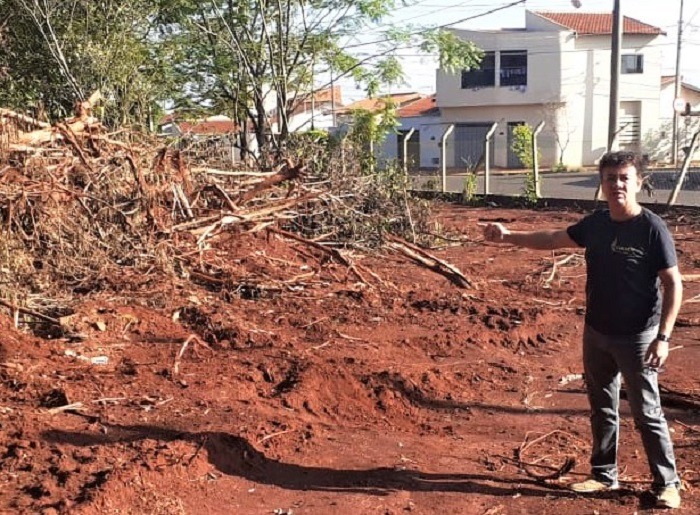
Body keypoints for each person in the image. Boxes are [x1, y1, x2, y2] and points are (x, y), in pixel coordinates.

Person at [481, 151, 683, 509]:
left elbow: (673, 284)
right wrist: (508, 236)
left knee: (646, 411)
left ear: (639, 182)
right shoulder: (598, 224)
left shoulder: (652, 228)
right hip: (597, 333)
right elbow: (554, 238)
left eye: (624, 178)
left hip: (638, 337)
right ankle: (604, 474)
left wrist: (663, 337)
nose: (617, 184)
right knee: (602, 406)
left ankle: (667, 483)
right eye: (610, 178)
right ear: (601, 184)